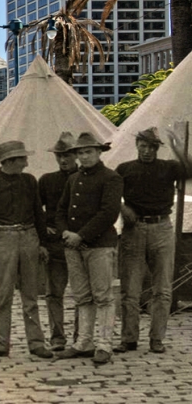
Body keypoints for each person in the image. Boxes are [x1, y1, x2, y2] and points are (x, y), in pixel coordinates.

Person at [115, 127, 192, 354]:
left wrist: (178, 149)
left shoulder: (169, 168)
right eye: (143, 146)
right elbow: (109, 193)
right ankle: (129, 338)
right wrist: (122, 208)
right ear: (137, 145)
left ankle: (156, 339)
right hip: (134, 229)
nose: (147, 151)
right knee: (130, 289)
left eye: (152, 147)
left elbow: (190, 169)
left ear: (157, 149)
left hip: (162, 228)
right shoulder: (124, 169)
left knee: (163, 289)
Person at [0, 141, 52, 359]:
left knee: (30, 294)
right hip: (3, 238)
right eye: (22, 159)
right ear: (9, 161)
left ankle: (36, 343)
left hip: (29, 237)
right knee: (3, 293)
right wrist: (2, 238)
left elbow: (39, 213)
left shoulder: (29, 181)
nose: (26, 162)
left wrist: (42, 243)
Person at [55, 132, 123, 365]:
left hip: (99, 245)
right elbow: (61, 210)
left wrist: (81, 235)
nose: (84, 157)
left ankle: (104, 344)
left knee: (103, 295)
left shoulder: (111, 178)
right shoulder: (73, 179)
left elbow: (108, 213)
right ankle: (84, 342)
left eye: (88, 152)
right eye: (80, 153)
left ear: (98, 152)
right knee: (82, 296)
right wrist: (65, 232)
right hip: (73, 247)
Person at [38, 132, 79, 351]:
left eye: (68, 155)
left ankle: (82, 335)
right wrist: (44, 227)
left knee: (83, 294)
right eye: (59, 155)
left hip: (81, 242)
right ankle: (57, 336)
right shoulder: (47, 180)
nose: (63, 160)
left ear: (77, 155)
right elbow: (36, 209)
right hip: (55, 245)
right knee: (54, 292)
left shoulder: (86, 177)